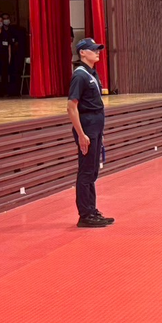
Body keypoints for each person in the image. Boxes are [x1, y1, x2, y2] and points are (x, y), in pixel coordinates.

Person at [67, 38, 114, 228]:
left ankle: (92, 210)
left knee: (93, 170)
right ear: (82, 53)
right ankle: (85, 214)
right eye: (93, 49)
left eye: (98, 49)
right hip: (87, 127)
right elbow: (71, 107)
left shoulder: (91, 73)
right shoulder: (80, 75)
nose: (97, 52)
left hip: (95, 127)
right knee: (86, 171)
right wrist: (81, 134)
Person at [4, 14, 27, 96]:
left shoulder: (17, 30)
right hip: (5, 56)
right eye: (4, 19)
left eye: (7, 18)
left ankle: (16, 90)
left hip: (16, 57)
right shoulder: (3, 32)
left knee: (16, 74)